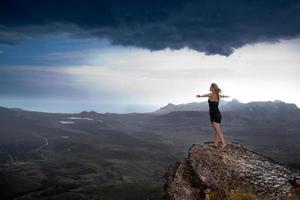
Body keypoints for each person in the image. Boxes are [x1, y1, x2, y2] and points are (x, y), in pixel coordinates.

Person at [196, 83, 230, 149]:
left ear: (213, 88)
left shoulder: (211, 94)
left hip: (215, 114)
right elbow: (222, 96)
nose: (209, 88)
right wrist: (226, 96)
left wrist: (199, 96)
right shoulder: (218, 95)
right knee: (216, 129)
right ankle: (215, 143)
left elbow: (205, 95)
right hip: (215, 114)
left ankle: (223, 143)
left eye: (210, 87)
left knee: (217, 129)